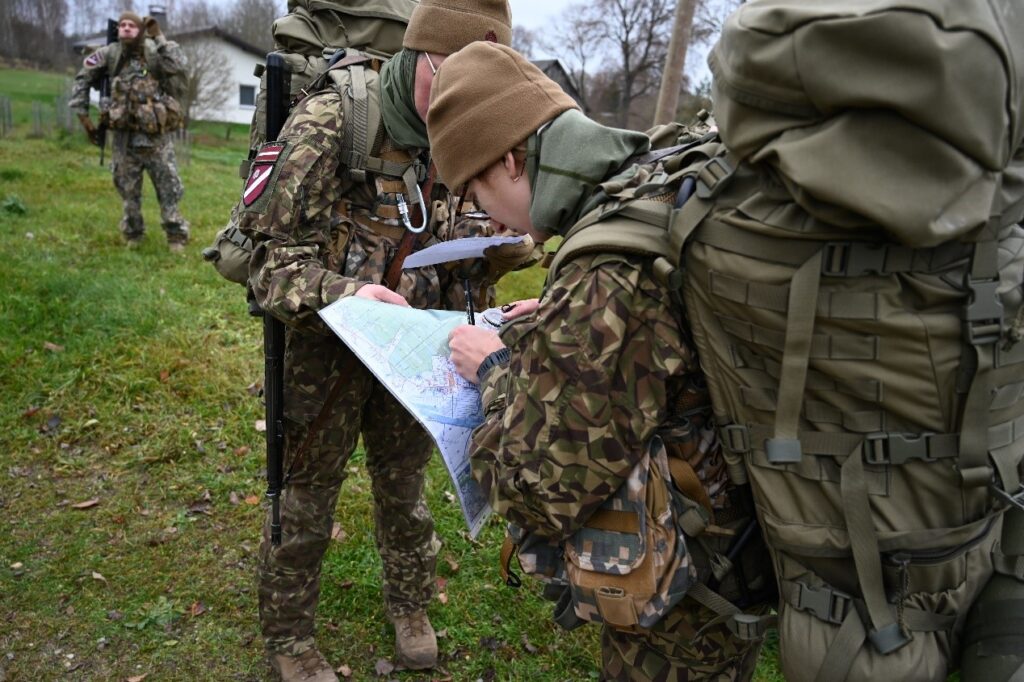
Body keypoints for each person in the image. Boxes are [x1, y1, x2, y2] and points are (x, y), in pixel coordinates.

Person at [431, 42, 771, 681]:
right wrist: (562, 327)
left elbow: (535, 489)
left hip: (688, 596)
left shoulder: (604, 273)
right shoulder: (652, 176)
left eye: (474, 190)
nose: (480, 213)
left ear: (509, 158)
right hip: (738, 533)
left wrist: (496, 368)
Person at [235, 3, 531, 680]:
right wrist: (346, 297)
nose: (465, 101)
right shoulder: (333, 121)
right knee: (305, 494)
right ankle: (289, 639)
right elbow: (267, 265)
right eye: (452, 76)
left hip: (417, 347)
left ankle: (410, 605)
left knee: (403, 486)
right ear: (417, 55)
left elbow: (462, 231)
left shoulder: (466, 128)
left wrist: (503, 248)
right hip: (326, 345)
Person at [71, 12, 189, 252]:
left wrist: (159, 37)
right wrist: (84, 117)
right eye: (122, 25)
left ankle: (175, 236)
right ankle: (133, 235)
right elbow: (83, 78)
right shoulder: (109, 54)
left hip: (157, 139)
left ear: (140, 30)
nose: (125, 28)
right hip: (123, 140)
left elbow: (178, 65)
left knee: (169, 189)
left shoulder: (154, 51)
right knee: (128, 192)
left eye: (131, 25)